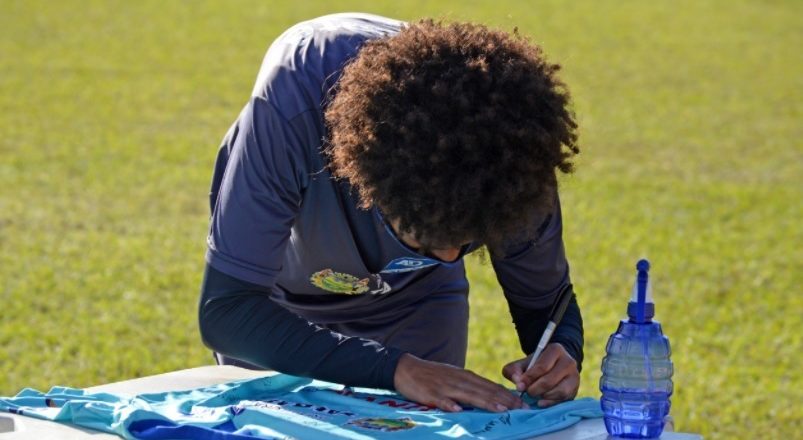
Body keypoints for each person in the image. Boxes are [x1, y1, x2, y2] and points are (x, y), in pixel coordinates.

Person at [199, 12, 583, 414]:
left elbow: (547, 304)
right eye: (424, 241)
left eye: (470, 242)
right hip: (277, 306)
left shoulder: (510, 157)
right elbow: (229, 313)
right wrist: (396, 368)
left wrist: (561, 349)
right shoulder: (291, 105)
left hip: (413, 305)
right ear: (370, 183)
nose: (450, 258)